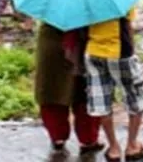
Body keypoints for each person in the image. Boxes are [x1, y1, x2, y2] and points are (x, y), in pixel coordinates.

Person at [85, 10, 143, 162]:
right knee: (134, 96)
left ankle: (114, 148)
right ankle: (132, 145)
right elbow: (129, 21)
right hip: (120, 51)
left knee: (101, 101)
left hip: (93, 51)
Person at [36, 22, 102, 155]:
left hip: (52, 38)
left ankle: (58, 137)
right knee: (85, 92)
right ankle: (88, 140)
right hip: (86, 38)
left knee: (53, 89)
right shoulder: (91, 2)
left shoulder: (51, 2)